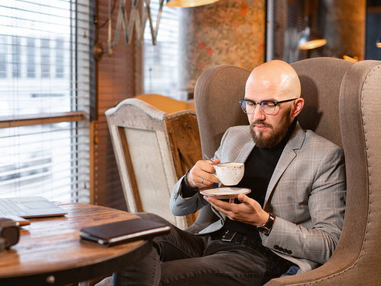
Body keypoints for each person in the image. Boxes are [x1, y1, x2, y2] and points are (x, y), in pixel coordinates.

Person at [110, 60, 346, 285]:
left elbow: (330, 244)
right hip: (210, 241)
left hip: (259, 257)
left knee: (155, 277)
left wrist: (264, 221)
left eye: (270, 104)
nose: (257, 116)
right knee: (139, 224)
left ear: (296, 107)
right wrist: (190, 182)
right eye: (251, 104)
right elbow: (178, 209)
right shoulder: (235, 137)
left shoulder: (324, 156)